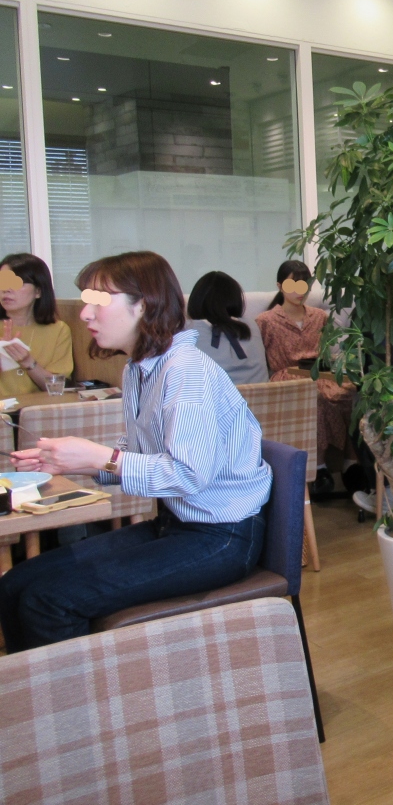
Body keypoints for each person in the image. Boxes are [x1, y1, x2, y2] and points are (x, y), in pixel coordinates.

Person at [0, 251, 271, 651]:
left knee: (47, 601)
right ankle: (31, 689)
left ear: (143, 305)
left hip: (222, 538)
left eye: (99, 301)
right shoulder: (138, 369)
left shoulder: (185, 371)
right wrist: (70, 462)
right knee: (13, 584)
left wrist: (98, 458)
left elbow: (188, 476)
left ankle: (71, 693)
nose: (85, 314)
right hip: (174, 524)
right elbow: (138, 452)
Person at [256, 260, 352, 488]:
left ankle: (351, 462)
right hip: (287, 376)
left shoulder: (319, 316)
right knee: (315, 397)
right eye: (293, 285)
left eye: (305, 285)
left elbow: (327, 352)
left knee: (348, 392)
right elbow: (261, 361)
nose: (300, 291)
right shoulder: (265, 321)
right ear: (280, 286)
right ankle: (319, 466)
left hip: (319, 372)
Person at [0, 252, 74, 398]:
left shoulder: (59, 330)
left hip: (38, 409)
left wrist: (28, 362)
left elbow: (57, 389)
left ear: (38, 291)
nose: (6, 289)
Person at [187, 270, 269, 385]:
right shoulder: (251, 325)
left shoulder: (188, 329)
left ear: (196, 300)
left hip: (212, 396)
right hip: (260, 395)